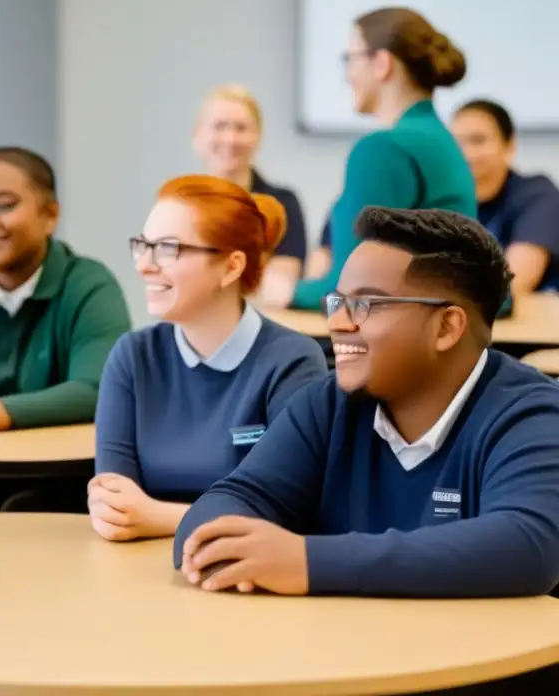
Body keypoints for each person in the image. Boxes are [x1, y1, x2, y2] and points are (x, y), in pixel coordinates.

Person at [176, 207, 559, 606]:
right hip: (338, 655)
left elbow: (528, 544)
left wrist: (307, 562)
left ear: (447, 327)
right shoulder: (326, 404)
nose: (337, 322)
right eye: (336, 302)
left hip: (482, 663)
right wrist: (223, 547)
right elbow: (227, 505)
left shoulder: (532, 414)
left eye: (366, 305)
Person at [89, 176, 327, 541]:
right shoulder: (132, 356)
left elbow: (291, 508)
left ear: (231, 267)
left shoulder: (293, 361)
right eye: (143, 245)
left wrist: (158, 516)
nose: (145, 266)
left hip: (252, 576)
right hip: (136, 575)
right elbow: (115, 506)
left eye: (168, 249)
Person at [0, 146, 131, 435]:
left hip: (60, 470)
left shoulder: (88, 285)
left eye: (5, 205)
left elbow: (100, 388)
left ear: (50, 215)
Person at [275, 7, 477, 310]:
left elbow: (352, 289)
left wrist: (288, 292)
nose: (347, 75)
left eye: (350, 59)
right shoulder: (439, 138)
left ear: (382, 63)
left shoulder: (383, 148)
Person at [192, 85, 309, 300]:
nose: (230, 139)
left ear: (258, 136)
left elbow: (279, 290)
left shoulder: (282, 204)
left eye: (241, 128)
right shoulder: (181, 207)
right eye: (219, 126)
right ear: (197, 136)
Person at [451, 98, 559, 294]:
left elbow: (512, 284)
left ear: (510, 145)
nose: (466, 153)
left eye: (478, 140)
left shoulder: (537, 195)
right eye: (456, 143)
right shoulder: (450, 203)